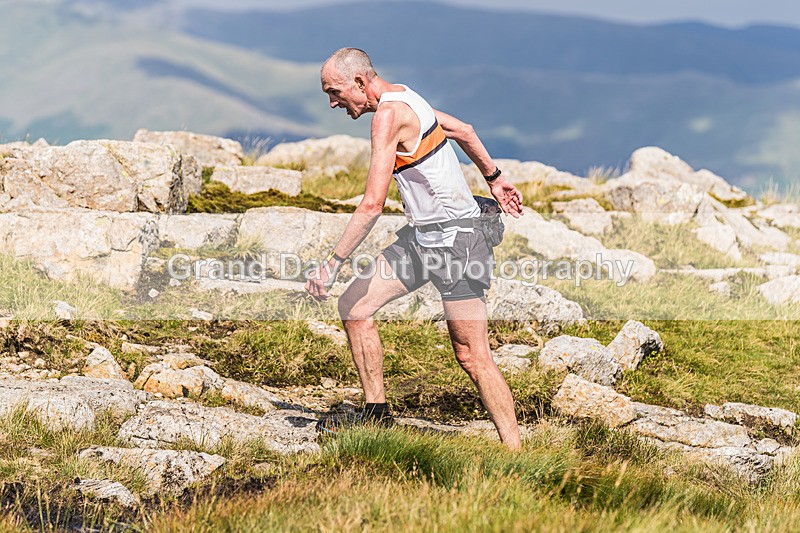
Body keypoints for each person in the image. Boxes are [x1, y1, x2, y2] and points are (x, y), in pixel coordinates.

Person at [305, 48, 524, 450]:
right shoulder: (407, 95)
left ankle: (515, 453)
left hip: (459, 243)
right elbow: (465, 130)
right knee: (354, 308)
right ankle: (377, 417)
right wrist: (494, 177)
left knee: (472, 355)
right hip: (423, 241)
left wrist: (332, 264)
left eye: (334, 92)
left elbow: (372, 203)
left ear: (359, 82)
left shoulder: (387, 116)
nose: (333, 102)